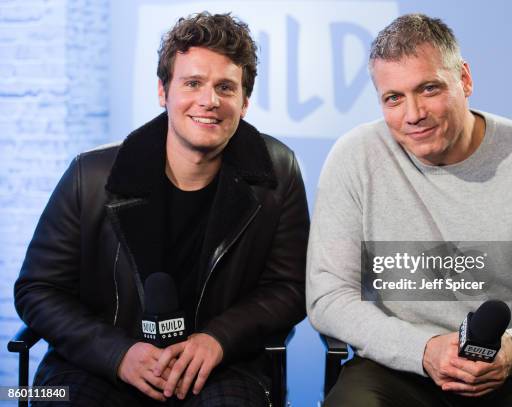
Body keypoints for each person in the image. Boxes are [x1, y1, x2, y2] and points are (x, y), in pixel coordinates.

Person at [306, 13, 512, 406]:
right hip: (399, 369)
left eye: (429, 89)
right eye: (393, 98)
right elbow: (329, 297)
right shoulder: (354, 157)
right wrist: (425, 349)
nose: (413, 114)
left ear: (464, 79)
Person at [15, 11, 309, 407]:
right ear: (162, 91)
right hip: (99, 363)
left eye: (226, 87)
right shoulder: (91, 175)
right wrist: (117, 354)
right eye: (192, 83)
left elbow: (289, 288)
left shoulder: (279, 171)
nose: (210, 100)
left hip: (221, 365)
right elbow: (38, 289)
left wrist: (218, 339)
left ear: (244, 102)